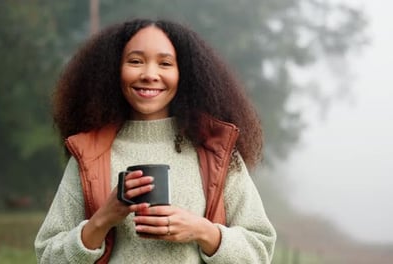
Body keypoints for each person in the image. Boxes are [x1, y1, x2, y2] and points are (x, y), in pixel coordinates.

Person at [35, 18, 276, 263]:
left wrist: (203, 232)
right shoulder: (91, 154)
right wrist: (102, 219)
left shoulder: (215, 149)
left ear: (185, 74)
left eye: (165, 63)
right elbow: (47, 256)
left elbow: (260, 250)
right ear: (113, 71)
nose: (150, 74)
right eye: (136, 61)